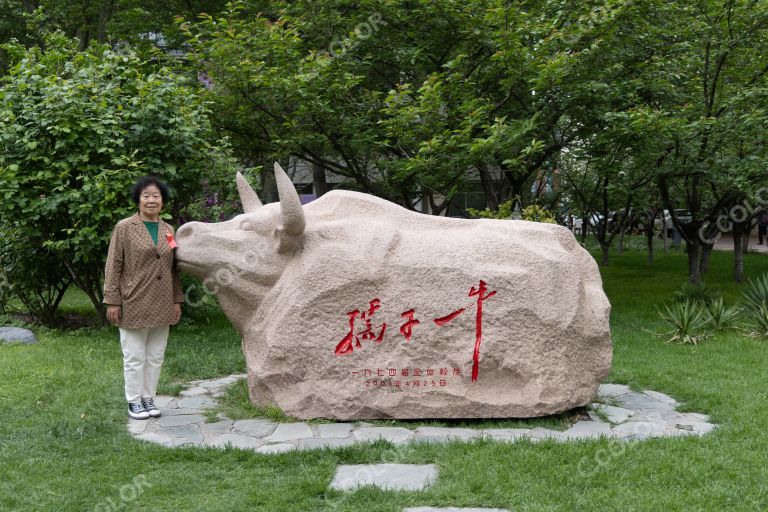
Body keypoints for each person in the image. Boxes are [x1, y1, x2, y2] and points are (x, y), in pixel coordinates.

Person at [103, 177, 183, 420]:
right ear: (138, 200)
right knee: (135, 355)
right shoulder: (125, 227)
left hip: (162, 301)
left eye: (156, 196)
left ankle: (149, 398)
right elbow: (113, 265)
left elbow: (174, 269)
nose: (151, 200)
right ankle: (134, 401)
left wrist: (177, 300)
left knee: (155, 355)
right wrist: (112, 300)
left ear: (163, 201)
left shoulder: (169, 231)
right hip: (133, 300)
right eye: (146, 195)